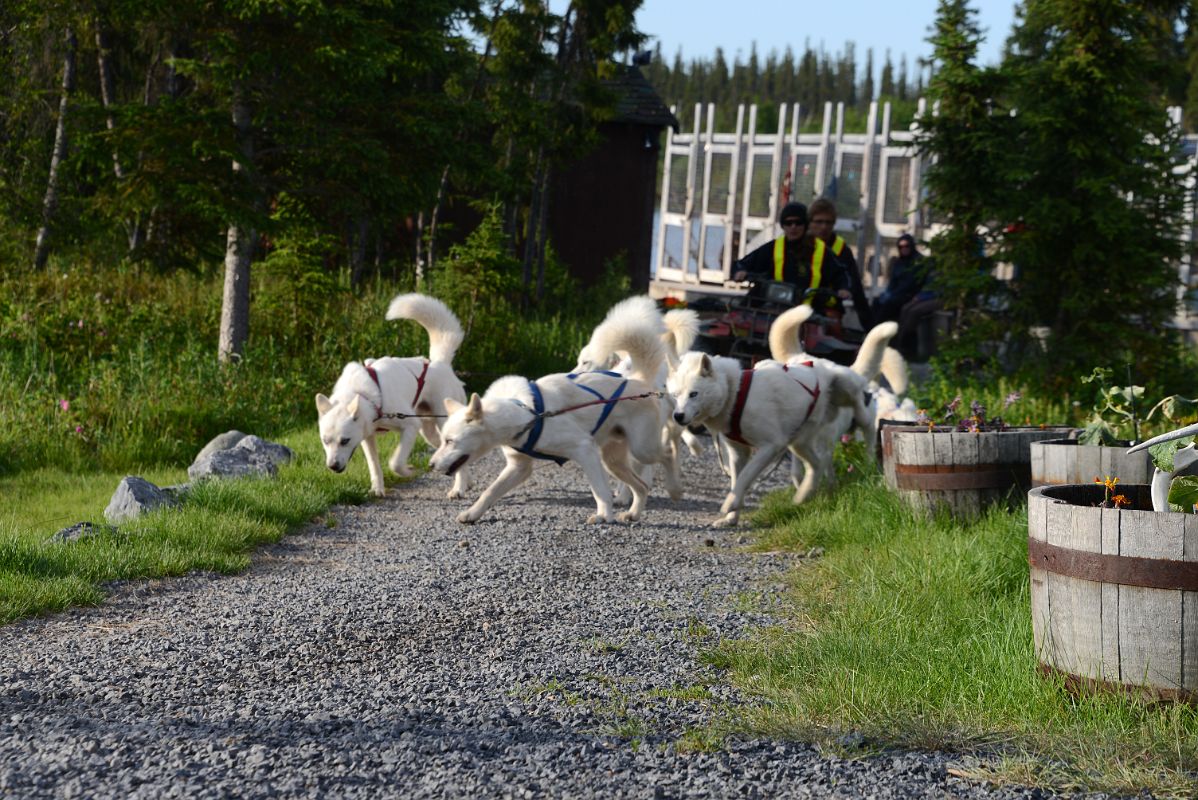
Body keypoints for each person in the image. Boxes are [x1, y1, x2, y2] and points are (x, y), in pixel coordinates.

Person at [731, 201, 844, 305]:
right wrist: (740, 271)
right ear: (782, 226)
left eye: (798, 223)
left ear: (806, 225)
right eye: (788, 223)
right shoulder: (773, 247)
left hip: (810, 312)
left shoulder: (820, 249)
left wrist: (843, 289)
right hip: (774, 307)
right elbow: (743, 263)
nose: (793, 227)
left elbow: (841, 274)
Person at [807, 197, 875, 329]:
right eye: (819, 222)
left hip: (828, 308)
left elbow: (856, 288)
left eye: (829, 223)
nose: (824, 227)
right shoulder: (800, 244)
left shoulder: (841, 249)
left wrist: (869, 327)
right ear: (809, 223)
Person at [871, 234, 928, 323]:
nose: (904, 249)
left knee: (889, 304)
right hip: (897, 293)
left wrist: (893, 295)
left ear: (911, 246)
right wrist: (887, 293)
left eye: (906, 246)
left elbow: (911, 283)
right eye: (901, 247)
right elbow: (893, 281)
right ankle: (871, 328)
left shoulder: (919, 261)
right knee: (877, 301)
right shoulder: (899, 262)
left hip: (910, 295)